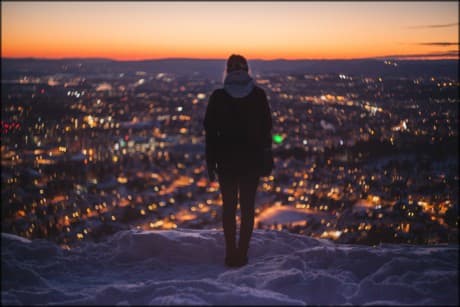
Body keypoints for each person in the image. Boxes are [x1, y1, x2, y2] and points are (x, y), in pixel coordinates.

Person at [203, 54, 273, 267]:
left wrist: (210, 162)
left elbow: (210, 132)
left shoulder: (218, 96)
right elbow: (266, 130)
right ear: (247, 70)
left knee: (229, 208)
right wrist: (266, 158)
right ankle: (241, 253)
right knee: (247, 208)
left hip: (226, 162)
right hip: (251, 162)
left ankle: (230, 253)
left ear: (228, 71)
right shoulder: (258, 95)